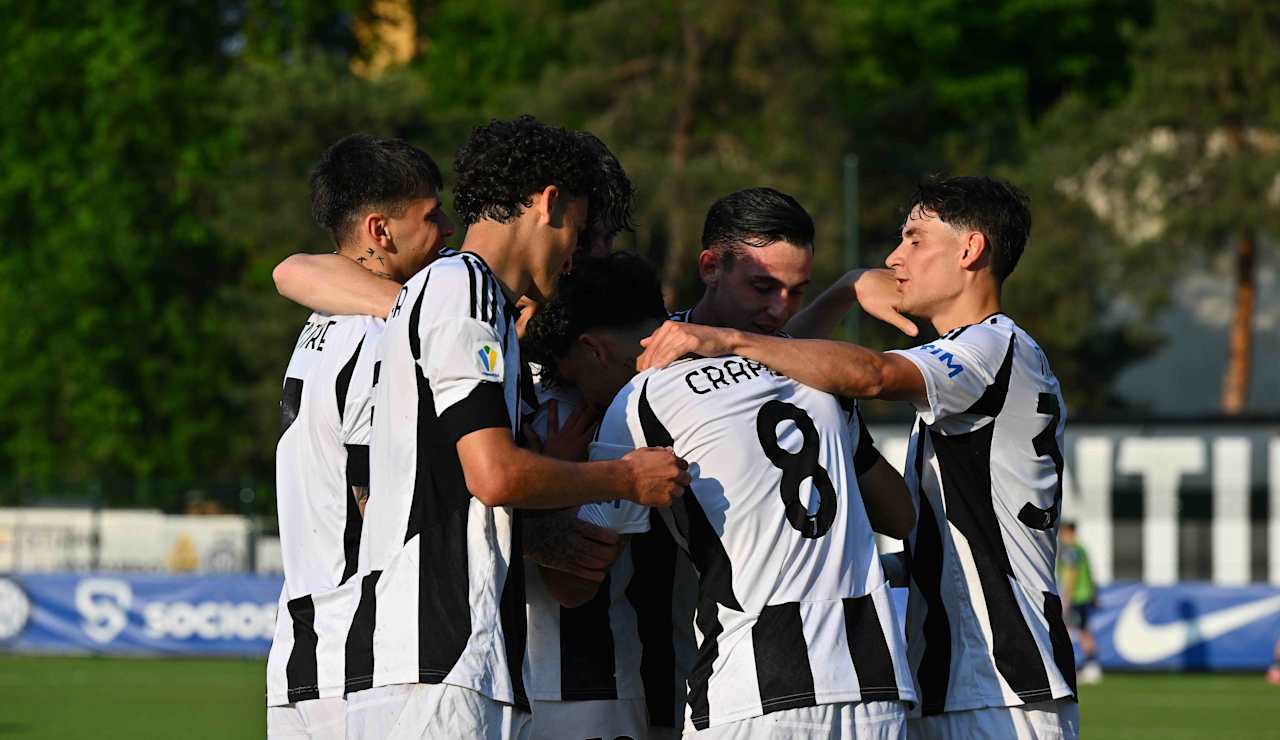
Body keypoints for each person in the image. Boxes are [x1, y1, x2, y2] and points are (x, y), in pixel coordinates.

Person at [637, 175, 1079, 739]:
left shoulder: (992, 347)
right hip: (953, 679)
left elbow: (870, 375)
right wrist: (843, 291)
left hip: (1002, 682)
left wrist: (726, 339)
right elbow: (775, 373)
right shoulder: (970, 365)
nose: (894, 258)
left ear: (970, 250)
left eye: (915, 239)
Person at [339, 116, 689, 740]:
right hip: (439, 658)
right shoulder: (464, 289)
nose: (575, 255)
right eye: (577, 227)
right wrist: (624, 477)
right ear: (549, 203)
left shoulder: (456, 295)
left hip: (437, 660)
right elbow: (494, 475)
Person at [526, 252, 918, 738]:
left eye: (578, 381)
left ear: (593, 350)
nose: (584, 399)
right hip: (874, 683)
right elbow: (900, 516)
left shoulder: (637, 401)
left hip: (753, 687)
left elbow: (573, 585)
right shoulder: (811, 377)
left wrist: (561, 476)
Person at [264, 134, 453, 740]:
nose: (447, 230)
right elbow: (380, 502)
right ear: (380, 230)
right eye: (431, 216)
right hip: (364, 660)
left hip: (300, 652)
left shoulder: (320, 323)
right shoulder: (382, 339)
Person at [1057, 521, 1102, 685]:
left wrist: (1066, 597)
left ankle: (1090, 666)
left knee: (1079, 632)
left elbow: (1071, 573)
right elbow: (1089, 572)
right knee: (1084, 630)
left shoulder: (1070, 550)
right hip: (1086, 595)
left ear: (1068, 532)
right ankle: (1090, 665)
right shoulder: (1081, 549)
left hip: (1077, 596)